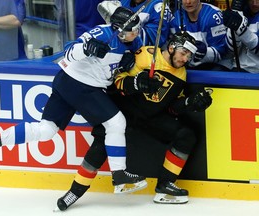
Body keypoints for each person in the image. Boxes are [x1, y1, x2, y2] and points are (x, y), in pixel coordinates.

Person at [0, 6, 147, 197]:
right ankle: (119, 175)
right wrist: (86, 49)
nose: (136, 33)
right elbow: (70, 50)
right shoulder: (101, 33)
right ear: (119, 30)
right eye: (133, 30)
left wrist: (125, 63)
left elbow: (123, 60)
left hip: (68, 82)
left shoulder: (133, 40)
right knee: (116, 123)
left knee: (46, 130)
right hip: (81, 85)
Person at [54, 31, 213, 211]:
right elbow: (117, 81)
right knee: (100, 144)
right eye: (183, 53)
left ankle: (164, 186)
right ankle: (75, 191)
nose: (185, 59)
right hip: (123, 111)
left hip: (150, 117)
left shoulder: (181, 74)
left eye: (189, 56)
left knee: (186, 135)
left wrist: (189, 103)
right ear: (171, 47)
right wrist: (136, 83)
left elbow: (171, 108)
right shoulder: (146, 55)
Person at [170, 0, 228, 70]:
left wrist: (205, 52)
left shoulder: (213, 16)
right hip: (185, 64)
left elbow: (222, 52)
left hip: (214, 66)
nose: (188, 2)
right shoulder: (175, 17)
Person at [98, 0, 173, 47]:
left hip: (143, 57)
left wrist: (127, 31)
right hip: (119, 49)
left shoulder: (159, 7)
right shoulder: (123, 2)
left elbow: (155, 40)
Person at [221, 0, 259, 73]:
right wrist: (236, 15)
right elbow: (231, 51)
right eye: (251, 0)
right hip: (237, 69)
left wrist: (243, 31)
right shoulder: (241, 13)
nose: (255, 3)